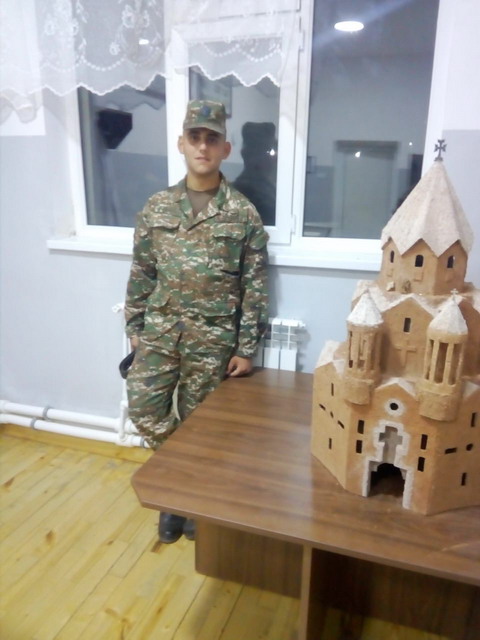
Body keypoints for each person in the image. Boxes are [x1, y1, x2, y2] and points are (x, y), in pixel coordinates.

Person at [124, 100, 269, 543]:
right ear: (181, 144)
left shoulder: (242, 213)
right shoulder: (156, 207)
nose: (202, 147)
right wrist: (135, 326)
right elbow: (142, 271)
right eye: (194, 137)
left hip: (214, 340)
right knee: (144, 409)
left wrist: (246, 347)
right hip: (161, 330)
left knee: (200, 424)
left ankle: (187, 505)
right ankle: (178, 486)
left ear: (225, 148)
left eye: (211, 139)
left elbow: (255, 286)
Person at [233, 121, 277, 226]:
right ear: (249, 155)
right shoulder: (245, 191)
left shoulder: (266, 187)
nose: (274, 159)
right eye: (269, 152)